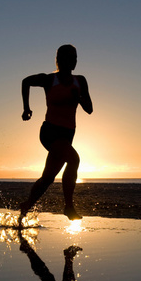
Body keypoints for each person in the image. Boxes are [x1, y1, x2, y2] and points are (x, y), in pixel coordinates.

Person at [20, 44, 93, 221]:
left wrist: (79, 97)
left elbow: (89, 109)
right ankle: (68, 207)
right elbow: (26, 81)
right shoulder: (49, 80)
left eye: (76, 57)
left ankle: (25, 207)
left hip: (67, 135)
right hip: (50, 132)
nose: (74, 61)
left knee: (47, 179)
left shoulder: (80, 81)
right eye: (71, 57)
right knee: (74, 159)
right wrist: (26, 108)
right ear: (60, 60)